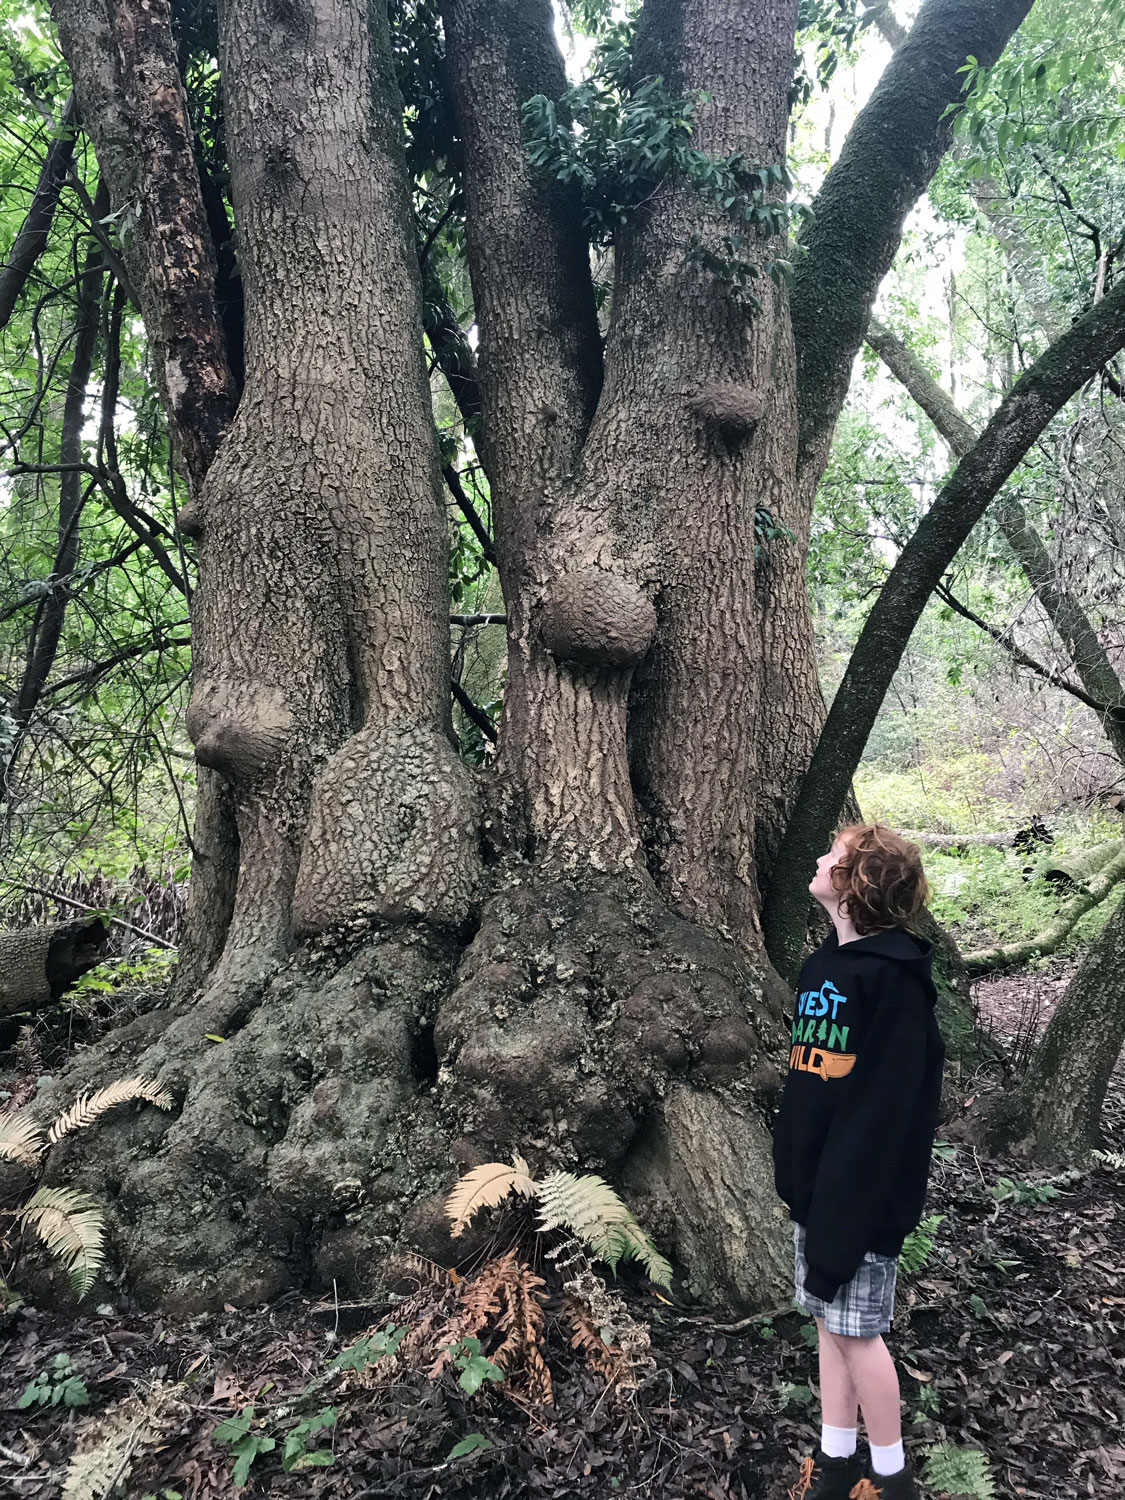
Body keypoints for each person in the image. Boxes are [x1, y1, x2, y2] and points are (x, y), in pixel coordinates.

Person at [772, 824, 946, 1500]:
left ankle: (892, 1477)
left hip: (861, 1203)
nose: (819, 859)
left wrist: (845, 1214)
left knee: (859, 1336)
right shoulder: (823, 969)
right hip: (816, 1192)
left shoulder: (894, 985)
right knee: (828, 1323)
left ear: (856, 883)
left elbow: (881, 1114)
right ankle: (836, 1458)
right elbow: (811, 1083)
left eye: (833, 856)